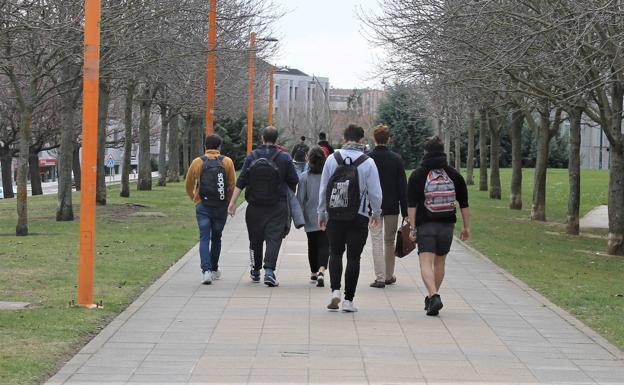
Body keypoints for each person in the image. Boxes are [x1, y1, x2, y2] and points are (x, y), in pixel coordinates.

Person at [318, 124, 382, 312]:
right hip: (359, 215)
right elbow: (375, 192)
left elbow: (324, 188)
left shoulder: (332, 159)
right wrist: (376, 212)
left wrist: (321, 212)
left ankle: (335, 291)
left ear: (344, 139)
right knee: (354, 257)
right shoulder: (368, 162)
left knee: (335, 252)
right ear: (362, 140)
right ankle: (348, 300)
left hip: (335, 214)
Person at [407, 136, 470, 316]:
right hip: (447, 225)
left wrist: (412, 228)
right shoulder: (453, 174)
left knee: (425, 262)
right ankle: (432, 297)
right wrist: (467, 227)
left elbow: (411, 204)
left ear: (425, 152)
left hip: (426, 224)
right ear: (443, 151)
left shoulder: (418, 174)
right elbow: (464, 203)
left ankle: (433, 295)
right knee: (440, 261)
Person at [228, 126, 299, 287]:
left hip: (254, 206)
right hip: (277, 205)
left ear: (262, 138)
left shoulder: (251, 156)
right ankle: (269, 271)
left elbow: (241, 181)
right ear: (277, 140)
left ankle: (255, 270)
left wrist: (232, 203)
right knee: (274, 239)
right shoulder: (285, 157)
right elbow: (294, 180)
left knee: (255, 239)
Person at [185, 134, 236, 285]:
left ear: (205, 147)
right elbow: (232, 185)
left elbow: (188, 184)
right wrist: (230, 203)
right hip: (220, 206)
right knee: (216, 237)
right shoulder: (227, 162)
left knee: (204, 237)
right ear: (219, 147)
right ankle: (214, 269)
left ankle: (205, 271)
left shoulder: (197, 162)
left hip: (203, 206)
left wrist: (195, 197)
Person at [368, 125, 408, 288]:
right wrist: (406, 212)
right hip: (392, 206)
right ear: (388, 139)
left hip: (373, 206)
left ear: (374, 139)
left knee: (376, 240)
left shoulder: (368, 159)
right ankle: (389, 275)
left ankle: (379, 277)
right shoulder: (396, 159)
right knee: (389, 241)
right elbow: (402, 187)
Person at [296, 146, 329, 287]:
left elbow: (300, 199)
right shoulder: (329, 176)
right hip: (326, 216)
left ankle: (314, 272)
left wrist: (299, 218)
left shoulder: (304, 177)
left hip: (309, 216)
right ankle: (322, 269)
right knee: (325, 244)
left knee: (312, 245)